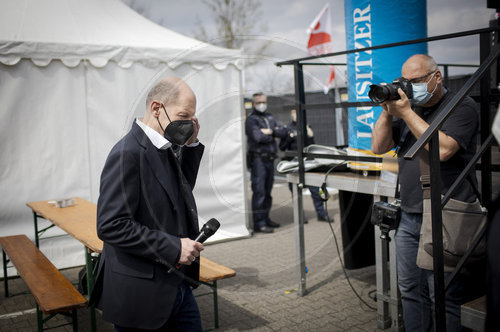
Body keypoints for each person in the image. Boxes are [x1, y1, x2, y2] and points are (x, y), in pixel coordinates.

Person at [371, 54, 479, 331]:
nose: (409, 87)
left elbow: (443, 150)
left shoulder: (462, 106)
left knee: (442, 294)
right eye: (405, 82)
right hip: (409, 213)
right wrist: (387, 109)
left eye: (416, 81)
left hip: (443, 213)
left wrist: (406, 113)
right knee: (409, 288)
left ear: (436, 76)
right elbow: (378, 147)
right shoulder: (409, 109)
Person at [93, 77, 205, 331]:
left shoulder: (164, 147)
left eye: (192, 119)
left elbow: (179, 192)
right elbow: (111, 225)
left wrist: (191, 145)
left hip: (177, 284)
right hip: (140, 293)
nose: (188, 123)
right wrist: (173, 246)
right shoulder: (127, 153)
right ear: (157, 109)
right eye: (183, 115)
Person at [279, 109, 333, 222]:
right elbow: (282, 147)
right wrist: (289, 138)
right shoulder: (287, 128)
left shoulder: (307, 126)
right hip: (293, 163)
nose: (296, 116)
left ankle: (321, 214)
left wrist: (310, 135)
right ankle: (300, 216)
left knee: (315, 189)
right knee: (295, 191)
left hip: (307, 163)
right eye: (294, 114)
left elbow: (311, 145)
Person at [245, 92, 288, 233]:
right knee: (259, 192)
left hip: (270, 159)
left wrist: (269, 132)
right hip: (258, 160)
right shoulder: (251, 120)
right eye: (259, 102)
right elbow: (258, 137)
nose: (262, 104)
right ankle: (259, 223)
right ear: (254, 104)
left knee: (268, 192)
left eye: (264, 101)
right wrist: (273, 133)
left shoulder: (270, 117)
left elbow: (283, 132)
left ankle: (266, 218)